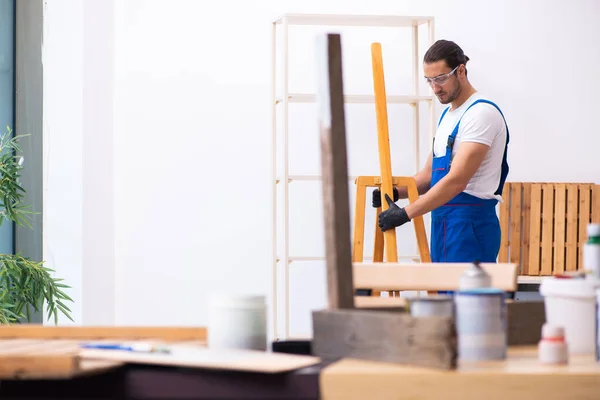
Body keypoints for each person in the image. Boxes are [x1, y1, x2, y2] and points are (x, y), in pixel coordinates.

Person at [373, 39, 510, 264]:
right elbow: (429, 176)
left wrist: (406, 213)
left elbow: (456, 181)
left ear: (461, 71)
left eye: (440, 79)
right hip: (443, 225)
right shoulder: (448, 116)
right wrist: (396, 193)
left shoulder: (481, 114)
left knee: (468, 298)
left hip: (470, 227)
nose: (435, 88)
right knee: (444, 297)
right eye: (429, 80)